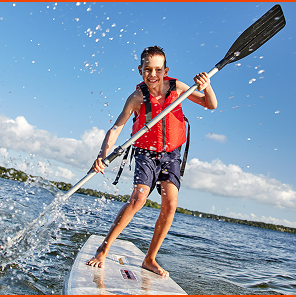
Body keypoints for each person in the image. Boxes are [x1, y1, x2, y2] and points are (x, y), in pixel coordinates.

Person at [86, 46, 217, 277]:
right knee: (138, 198)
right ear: (140, 70)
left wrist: (207, 86)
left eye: (158, 70)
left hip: (171, 154)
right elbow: (116, 128)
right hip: (145, 153)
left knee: (171, 204)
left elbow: (210, 104)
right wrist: (102, 155)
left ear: (166, 70)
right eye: (148, 70)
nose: (153, 75)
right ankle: (103, 248)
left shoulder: (177, 88)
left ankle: (150, 259)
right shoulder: (136, 98)